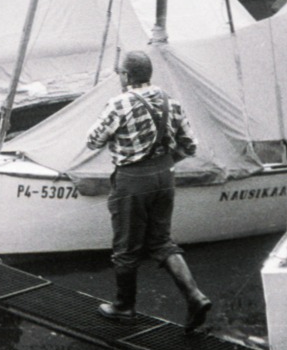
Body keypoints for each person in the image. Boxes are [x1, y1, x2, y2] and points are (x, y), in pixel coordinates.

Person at [85, 49, 213, 333]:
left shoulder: (119, 104)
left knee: (126, 248)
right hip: (165, 177)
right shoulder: (172, 102)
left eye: (120, 72)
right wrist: (164, 163)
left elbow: (93, 140)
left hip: (132, 180)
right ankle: (195, 296)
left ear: (126, 75)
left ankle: (124, 307)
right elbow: (190, 145)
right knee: (161, 242)